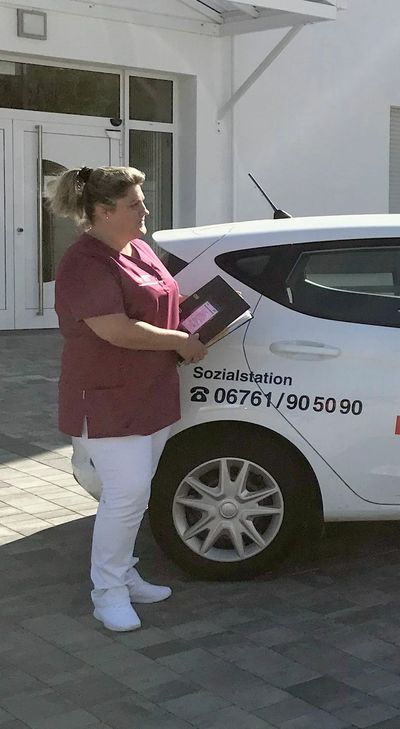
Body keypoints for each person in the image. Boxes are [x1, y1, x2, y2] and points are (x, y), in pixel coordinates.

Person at [50, 166, 207, 632]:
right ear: (103, 211)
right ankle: (108, 593)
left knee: (137, 494)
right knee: (126, 495)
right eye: (134, 204)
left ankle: (124, 572)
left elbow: (164, 299)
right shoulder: (85, 262)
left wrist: (209, 313)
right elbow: (115, 329)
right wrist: (180, 341)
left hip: (150, 392)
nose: (145, 211)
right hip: (107, 400)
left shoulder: (138, 248)